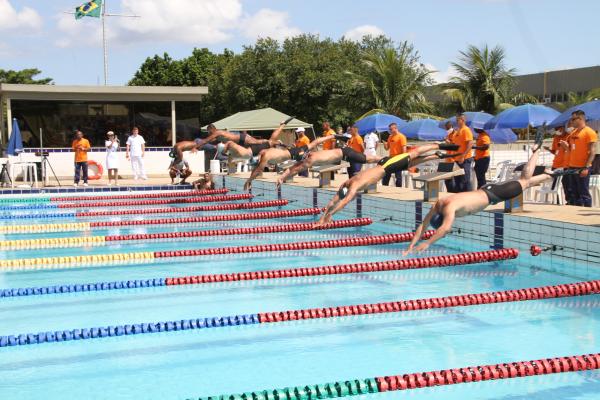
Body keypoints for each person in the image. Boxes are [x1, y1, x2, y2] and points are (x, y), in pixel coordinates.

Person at [406, 140, 569, 253]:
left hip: (494, 194)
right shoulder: (439, 205)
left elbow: (445, 228)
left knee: (525, 181)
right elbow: (423, 225)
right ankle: (552, 174)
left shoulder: (449, 209)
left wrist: (427, 243)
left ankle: (536, 151)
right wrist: (411, 246)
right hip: (488, 188)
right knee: (527, 183)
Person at [316, 143, 457, 226]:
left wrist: (330, 214)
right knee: (414, 162)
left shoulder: (352, 186)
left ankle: (440, 145)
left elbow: (344, 201)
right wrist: (325, 214)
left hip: (387, 165)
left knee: (414, 154)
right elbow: (336, 198)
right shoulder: (348, 182)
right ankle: (437, 155)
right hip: (384, 166)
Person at [276, 133, 382, 187]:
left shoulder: (308, 161)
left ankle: (387, 159)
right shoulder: (308, 154)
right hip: (342, 153)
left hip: (344, 153)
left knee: (367, 159)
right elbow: (318, 141)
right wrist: (333, 136)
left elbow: (293, 169)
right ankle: (385, 159)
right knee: (367, 159)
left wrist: (282, 177)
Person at [243, 135, 336, 191]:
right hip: (295, 151)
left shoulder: (265, 158)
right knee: (314, 144)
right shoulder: (263, 151)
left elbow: (258, 170)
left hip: (294, 155)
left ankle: (330, 153)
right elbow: (257, 169)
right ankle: (333, 136)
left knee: (296, 168)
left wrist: (248, 181)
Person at [561, 110, 598, 207]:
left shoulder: (589, 132)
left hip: (582, 167)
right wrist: (566, 147)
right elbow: (571, 150)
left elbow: (592, 152)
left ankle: (586, 214)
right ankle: (575, 215)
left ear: (580, 119)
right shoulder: (573, 133)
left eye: (573, 119)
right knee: (574, 193)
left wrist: (586, 167)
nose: (571, 121)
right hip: (572, 167)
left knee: (583, 193)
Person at [220, 119, 291, 163]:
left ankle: (225, 153)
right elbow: (273, 138)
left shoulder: (268, 145)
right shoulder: (267, 145)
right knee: (230, 152)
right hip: (247, 154)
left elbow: (273, 138)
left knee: (230, 143)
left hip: (247, 153)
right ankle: (282, 125)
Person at [544, 126, 571, 202]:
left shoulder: (568, 136)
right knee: (555, 186)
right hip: (555, 165)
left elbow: (570, 150)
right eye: (556, 129)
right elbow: (555, 151)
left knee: (567, 185)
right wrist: (549, 150)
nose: (557, 131)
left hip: (564, 165)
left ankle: (568, 201)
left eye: (558, 129)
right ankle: (557, 201)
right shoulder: (556, 138)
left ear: (563, 128)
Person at [452, 114, 474, 192]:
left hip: (464, 159)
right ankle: (460, 197)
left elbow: (470, 143)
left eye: (458, 120)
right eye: (456, 120)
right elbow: (455, 144)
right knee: (458, 180)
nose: (457, 122)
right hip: (457, 159)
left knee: (465, 179)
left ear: (463, 120)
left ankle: (469, 197)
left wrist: (463, 156)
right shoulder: (457, 130)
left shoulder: (466, 130)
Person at [382, 123, 407, 187]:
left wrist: (402, 160)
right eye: (389, 129)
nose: (390, 131)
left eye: (391, 129)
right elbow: (387, 148)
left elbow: (404, 149)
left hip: (398, 158)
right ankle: (384, 186)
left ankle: (398, 189)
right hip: (391, 158)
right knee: (386, 173)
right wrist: (384, 144)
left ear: (395, 128)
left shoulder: (401, 137)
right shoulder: (390, 137)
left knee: (398, 176)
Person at [443, 121, 457, 192]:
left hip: (453, 159)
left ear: (451, 127)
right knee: (447, 178)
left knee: (451, 178)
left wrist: (448, 141)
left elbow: (455, 145)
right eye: (446, 128)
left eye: (447, 128)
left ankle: (452, 191)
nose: (446, 130)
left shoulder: (455, 134)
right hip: (448, 158)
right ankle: (449, 190)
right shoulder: (449, 135)